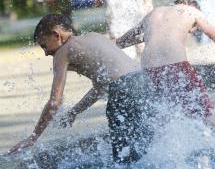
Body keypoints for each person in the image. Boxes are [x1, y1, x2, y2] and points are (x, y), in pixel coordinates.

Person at [110, 0, 215, 162]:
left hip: (148, 70)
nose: (191, 32)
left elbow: (122, 42)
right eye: (193, 29)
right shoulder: (192, 12)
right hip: (176, 66)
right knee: (207, 113)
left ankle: (156, 159)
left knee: (163, 117)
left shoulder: (154, 13)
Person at [8, 14, 140, 157]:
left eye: (44, 46)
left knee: (123, 157)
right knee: (141, 148)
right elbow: (101, 88)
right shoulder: (94, 37)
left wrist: (33, 137)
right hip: (142, 81)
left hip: (123, 91)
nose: (45, 53)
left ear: (56, 35)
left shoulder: (63, 52)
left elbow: (54, 102)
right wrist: (74, 112)